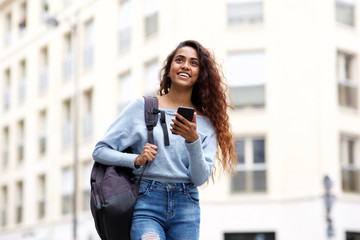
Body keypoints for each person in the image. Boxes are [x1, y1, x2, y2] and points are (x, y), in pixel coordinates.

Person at [92, 40, 236, 240]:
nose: (185, 65)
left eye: (194, 63)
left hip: (187, 206)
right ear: (169, 70)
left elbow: (200, 178)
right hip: (146, 201)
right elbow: (100, 150)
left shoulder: (205, 122)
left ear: (200, 75)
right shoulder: (142, 108)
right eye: (179, 60)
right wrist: (136, 159)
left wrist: (193, 140)